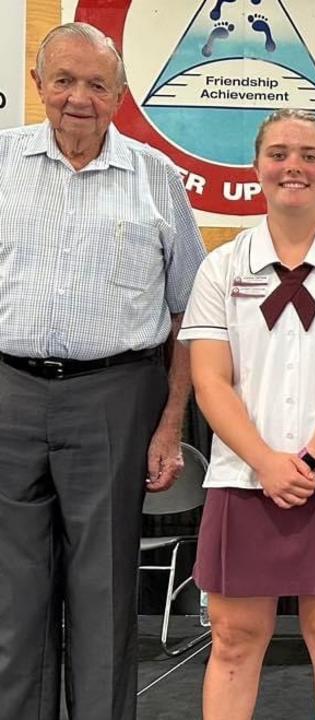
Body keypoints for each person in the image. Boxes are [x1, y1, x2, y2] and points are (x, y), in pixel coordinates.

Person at [0, 22, 206, 719]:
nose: (77, 98)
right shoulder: (0, 165)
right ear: (38, 86)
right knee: (11, 595)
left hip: (117, 396)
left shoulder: (157, 179)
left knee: (104, 594)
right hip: (10, 394)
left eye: (96, 85)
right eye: (63, 80)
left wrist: (171, 422)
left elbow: (188, 315)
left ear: (119, 96)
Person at [180, 109, 315, 719]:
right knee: (233, 640)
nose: (292, 166)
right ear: (257, 168)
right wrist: (267, 463)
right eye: (278, 153)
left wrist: (306, 460)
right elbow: (210, 380)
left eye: (308, 154)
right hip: (245, 480)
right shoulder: (221, 269)